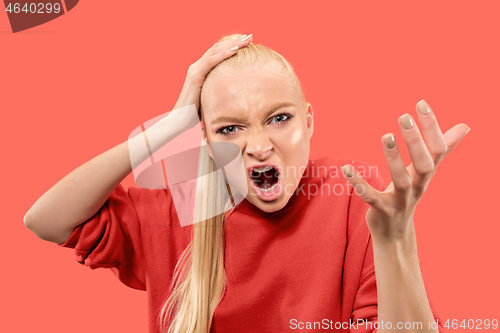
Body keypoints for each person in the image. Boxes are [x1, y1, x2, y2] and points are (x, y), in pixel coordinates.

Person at [24, 33, 470, 333]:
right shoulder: (185, 207)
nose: (258, 146)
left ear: (309, 121)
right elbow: (46, 219)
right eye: (229, 128)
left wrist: (395, 242)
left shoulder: (356, 195)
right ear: (204, 138)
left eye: (279, 118)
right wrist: (169, 125)